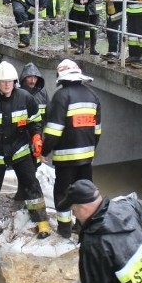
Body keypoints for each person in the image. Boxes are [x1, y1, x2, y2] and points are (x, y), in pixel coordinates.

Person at [0, 61, 51, 238]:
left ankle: (41, 221)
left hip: (20, 151)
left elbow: (35, 122)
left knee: (31, 183)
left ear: (15, 82)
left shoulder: (25, 99)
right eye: (3, 81)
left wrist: (36, 137)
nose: (7, 84)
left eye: (10, 81)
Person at [42, 59, 102, 238]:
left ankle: (64, 230)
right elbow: (97, 131)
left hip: (65, 159)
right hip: (87, 157)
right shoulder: (93, 96)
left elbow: (53, 132)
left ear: (61, 77)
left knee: (62, 193)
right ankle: (84, 227)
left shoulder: (61, 96)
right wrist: (90, 151)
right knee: (85, 193)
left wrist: (44, 151)